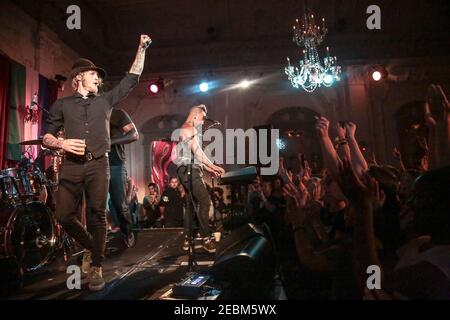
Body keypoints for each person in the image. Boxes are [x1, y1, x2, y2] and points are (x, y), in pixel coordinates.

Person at [43, 34, 152, 291]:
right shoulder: (62, 104)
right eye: (94, 75)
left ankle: (96, 266)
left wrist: (142, 49)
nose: (98, 79)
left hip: (99, 165)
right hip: (71, 164)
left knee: (97, 215)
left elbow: (132, 78)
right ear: (79, 77)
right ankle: (93, 247)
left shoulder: (105, 100)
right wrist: (61, 143)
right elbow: (46, 136)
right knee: (63, 216)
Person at [175, 104, 225, 253]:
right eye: (203, 118)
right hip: (189, 171)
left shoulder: (188, 128)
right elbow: (197, 153)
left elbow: (194, 156)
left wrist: (209, 169)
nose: (203, 122)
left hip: (187, 170)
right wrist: (215, 166)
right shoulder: (188, 128)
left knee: (192, 205)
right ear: (196, 115)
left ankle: (187, 239)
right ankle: (206, 239)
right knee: (205, 200)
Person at [107, 108, 139, 247]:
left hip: (115, 165)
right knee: (96, 206)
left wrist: (110, 142)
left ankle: (127, 232)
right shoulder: (87, 114)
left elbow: (134, 134)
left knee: (120, 204)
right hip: (94, 165)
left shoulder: (116, 113)